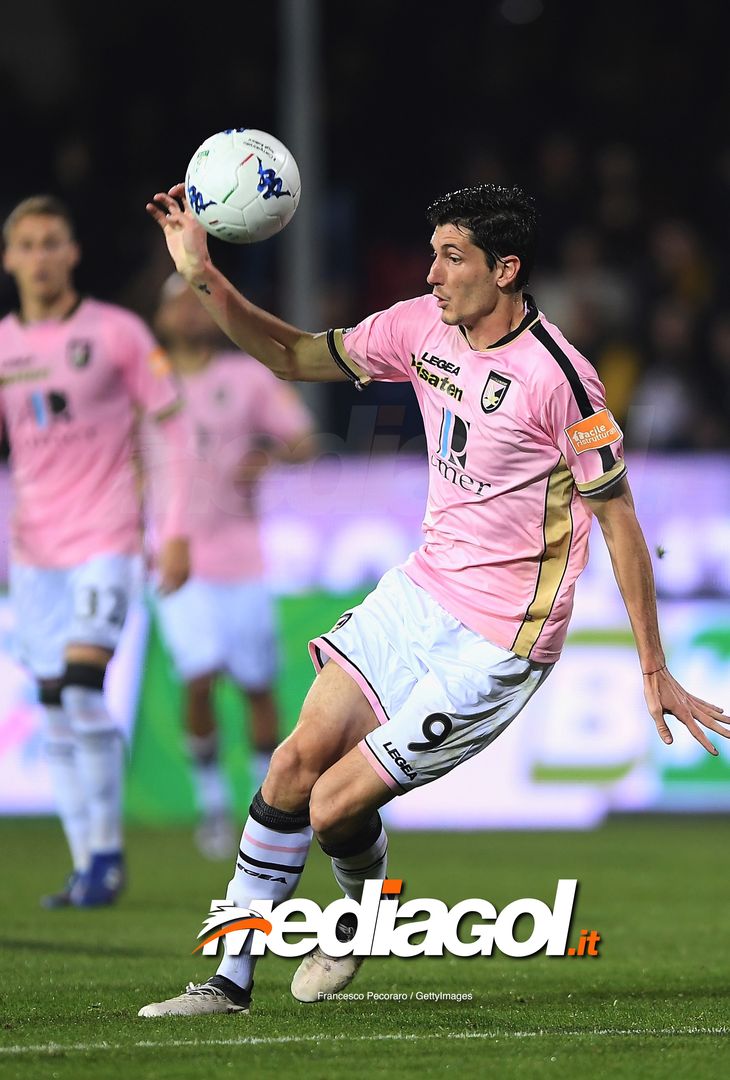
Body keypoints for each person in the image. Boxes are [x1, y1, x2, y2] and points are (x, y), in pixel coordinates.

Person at [139, 181, 728, 1016]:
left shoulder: (562, 378)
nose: (434, 273)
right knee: (293, 764)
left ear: (507, 269)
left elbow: (620, 518)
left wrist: (655, 666)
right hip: (419, 591)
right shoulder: (419, 326)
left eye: (453, 258)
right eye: (435, 255)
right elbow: (294, 356)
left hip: (499, 638)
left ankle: (361, 913)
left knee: (336, 805)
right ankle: (227, 981)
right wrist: (203, 274)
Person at [0, 195, 191, 907]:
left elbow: (170, 434)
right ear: (9, 258)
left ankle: (106, 854)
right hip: (33, 553)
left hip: (106, 540)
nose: (42, 256)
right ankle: (87, 867)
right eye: (28, 244)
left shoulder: (116, 334)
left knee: (80, 686)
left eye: (54, 242)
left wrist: (172, 531)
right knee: (54, 704)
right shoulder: (3, 347)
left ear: (73, 253)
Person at [150, 273, 316, 858]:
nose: (190, 316)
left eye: (199, 304)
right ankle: (214, 806)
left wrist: (267, 453)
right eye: (179, 305)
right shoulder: (143, 383)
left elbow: (303, 439)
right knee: (197, 675)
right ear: (162, 317)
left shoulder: (245, 378)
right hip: (176, 561)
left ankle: (263, 805)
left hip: (241, 558)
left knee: (256, 687)